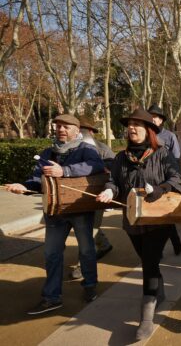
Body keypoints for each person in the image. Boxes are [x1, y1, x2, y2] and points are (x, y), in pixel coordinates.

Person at [6, 114, 104, 315]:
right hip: (54, 212)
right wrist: (24, 186)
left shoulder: (87, 149)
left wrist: (65, 171)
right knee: (51, 254)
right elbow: (36, 180)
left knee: (86, 250)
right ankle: (52, 298)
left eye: (66, 127)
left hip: (80, 211)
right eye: (58, 126)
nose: (60, 129)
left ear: (77, 131)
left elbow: (96, 166)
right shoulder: (47, 152)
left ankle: (90, 285)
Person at [96, 109, 181, 339]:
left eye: (137, 124)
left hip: (158, 220)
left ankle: (146, 318)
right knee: (146, 259)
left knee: (150, 263)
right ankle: (159, 292)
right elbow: (114, 181)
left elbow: (176, 178)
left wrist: (161, 189)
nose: (132, 128)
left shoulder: (162, 154)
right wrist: (108, 190)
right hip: (132, 219)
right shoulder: (121, 157)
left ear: (149, 130)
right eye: (130, 124)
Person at [69, 117, 115, 280]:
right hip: (75, 196)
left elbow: (113, 170)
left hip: (97, 196)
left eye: (82, 129)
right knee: (84, 227)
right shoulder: (70, 149)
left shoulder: (103, 149)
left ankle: (83, 265)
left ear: (90, 132)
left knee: (89, 229)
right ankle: (104, 244)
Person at [148, 104, 181, 255]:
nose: (152, 119)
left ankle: (174, 242)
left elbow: (176, 158)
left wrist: (172, 179)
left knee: (164, 215)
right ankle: (157, 250)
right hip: (148, 179)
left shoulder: (170, 136)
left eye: (155, 117)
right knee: (151, 214)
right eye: (150, 116)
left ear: (161, 120)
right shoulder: (145, 134)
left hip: (164, 180)